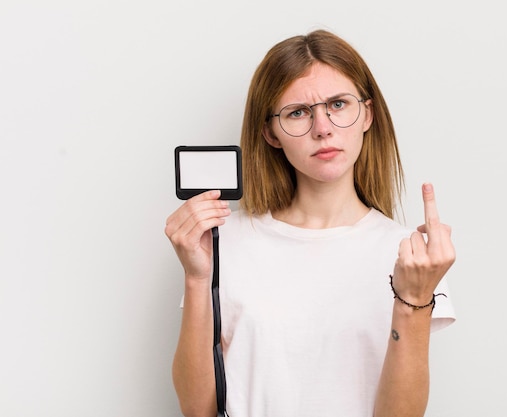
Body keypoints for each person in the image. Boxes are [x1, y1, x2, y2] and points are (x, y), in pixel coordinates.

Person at [165, 29, 456, 417]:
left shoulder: (412, 256)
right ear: (270, 132)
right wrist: (197, 278)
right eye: (298, 112)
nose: (323, 128)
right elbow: (196, 409)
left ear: (367, 114)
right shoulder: (222, 242)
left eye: (338, 104)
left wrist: (414, 299)